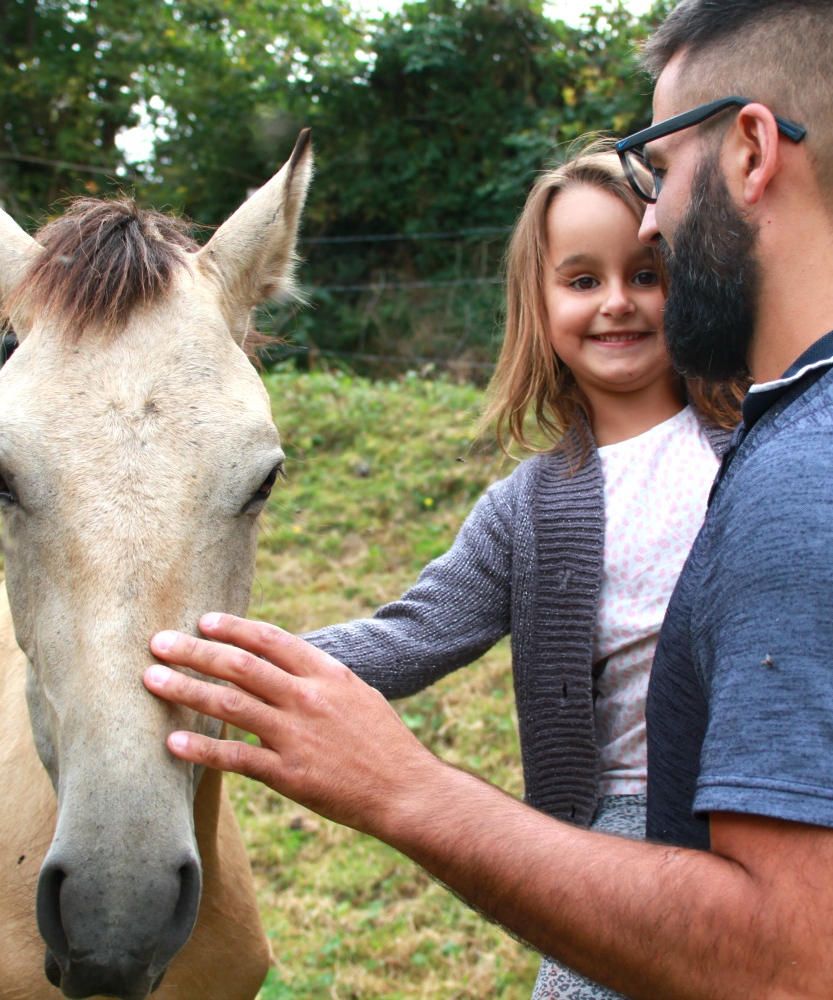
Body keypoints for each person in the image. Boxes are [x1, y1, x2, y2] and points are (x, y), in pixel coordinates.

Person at [144, 1, 833, 995]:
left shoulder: (811, 483)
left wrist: (407, 788)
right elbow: (415, 628)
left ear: (752, 150)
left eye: (661, 168)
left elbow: (787, 962)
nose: (651, 224)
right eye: (581, 276)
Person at [298, 141, 740, 1000]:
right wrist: (224, 663)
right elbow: (411, 634)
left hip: (768, 805)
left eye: (646, 274)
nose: (617, 302)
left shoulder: (765, 444)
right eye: (582, 281)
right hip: (615, 832)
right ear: (537, 306)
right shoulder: (526, 509)